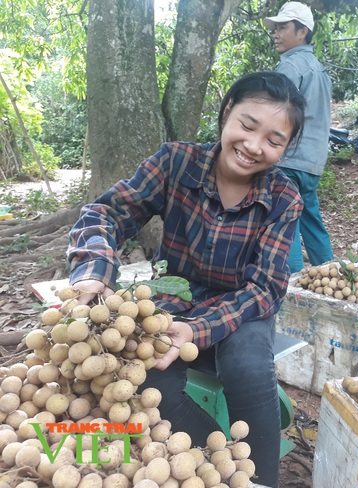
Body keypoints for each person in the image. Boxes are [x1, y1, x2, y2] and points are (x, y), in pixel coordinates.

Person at [66, 71, 306, 488]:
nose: (253, 146)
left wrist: (197, 330)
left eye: (273, 140)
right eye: (248, 126)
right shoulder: (176, 161)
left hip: (240, 309)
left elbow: (265, 288)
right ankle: (218, 468)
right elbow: (106, 213)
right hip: (171, 302)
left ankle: (263, 479)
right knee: (148, 377)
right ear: (228, 112)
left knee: (249, 367)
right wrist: (95, 272)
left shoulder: (283, 197)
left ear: (285, 149)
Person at [264, 1, 334, 273]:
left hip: (289, 158)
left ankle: (292, 286)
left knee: (285, 218)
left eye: (283, 27)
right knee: (310, 217)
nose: (276, 34)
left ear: (302, 31)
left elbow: (275, 114)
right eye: (276, 28)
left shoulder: (290, 67)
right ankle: (331, 274)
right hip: (313, 161)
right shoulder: (319, 69)